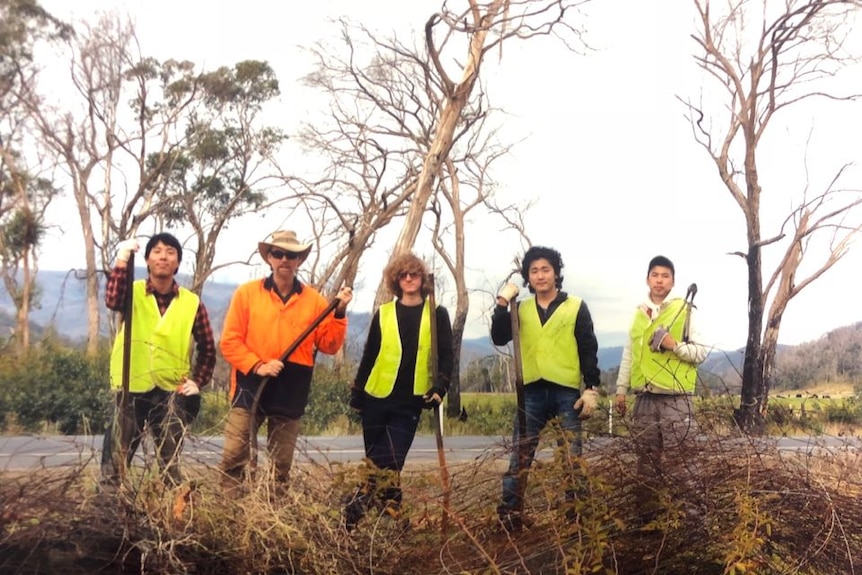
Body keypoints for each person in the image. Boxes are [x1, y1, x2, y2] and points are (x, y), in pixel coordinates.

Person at [219, 230, 353, 494]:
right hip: (251, 382)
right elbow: (230, 342)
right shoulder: (247, 294)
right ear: (269, 258)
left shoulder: (315, 300)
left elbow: (329, 344)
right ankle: (229, 512)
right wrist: (258, 365)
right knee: (235, 455)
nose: (284, 259)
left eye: (291, 255)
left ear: (299, 261)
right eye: (278, 254)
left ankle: (273, 516)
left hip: (292, 386)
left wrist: (339, 311)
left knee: (280, 466)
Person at [491, 245, 601, 531]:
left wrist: (591, 387)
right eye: (534, 271)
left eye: (545, 270)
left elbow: (588, 348)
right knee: (520, 455)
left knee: (571, 457)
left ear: (556, 273)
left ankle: (576, 519)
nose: (540, 276)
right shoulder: (520, 308)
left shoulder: (576, 306)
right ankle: (510, 517)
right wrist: (502, 303)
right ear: (528, 277)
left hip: (566, 392)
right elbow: (500, 336)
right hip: (531, 392)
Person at [343, 253, 454, 532]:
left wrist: (440, 387)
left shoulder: (437, 313)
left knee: (389, 459)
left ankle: (353, 508)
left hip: (411, 401)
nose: (408, 279)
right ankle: (397, 524)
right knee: (381, 465)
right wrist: (357, 390)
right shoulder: (384, 313)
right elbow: (370, 354)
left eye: (413, 274)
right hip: (376, 398)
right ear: (396, 280)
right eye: (402, 275)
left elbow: (447, 357)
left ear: (422, 278)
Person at [101, 232, 216, 489]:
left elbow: (208, 348)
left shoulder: (192, 303)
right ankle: (106, 519)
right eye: (157, 251)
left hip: (171, 392)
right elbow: (112, 299)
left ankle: (172, 520)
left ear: (177, 263)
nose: (163, 256)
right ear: (147, 260)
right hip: (130, 387)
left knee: (170, 467)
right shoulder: (131, 292)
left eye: (170, 252)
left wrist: (197, 381)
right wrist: (121, 259)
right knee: (115, 464)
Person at [613, 255, 708, 516]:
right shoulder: (638, 315)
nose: (659, 280)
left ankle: (693, 525)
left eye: (665, 275)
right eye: (655, 275)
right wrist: (621, 390)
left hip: (676, 399)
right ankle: (648, 524)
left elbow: (701, 353)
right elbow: (629, 354)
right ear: (647, 279)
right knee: (646, 464)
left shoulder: (686, 311)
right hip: (643, 399)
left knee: (683, 464)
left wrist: (673, 345)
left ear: (673, 281)